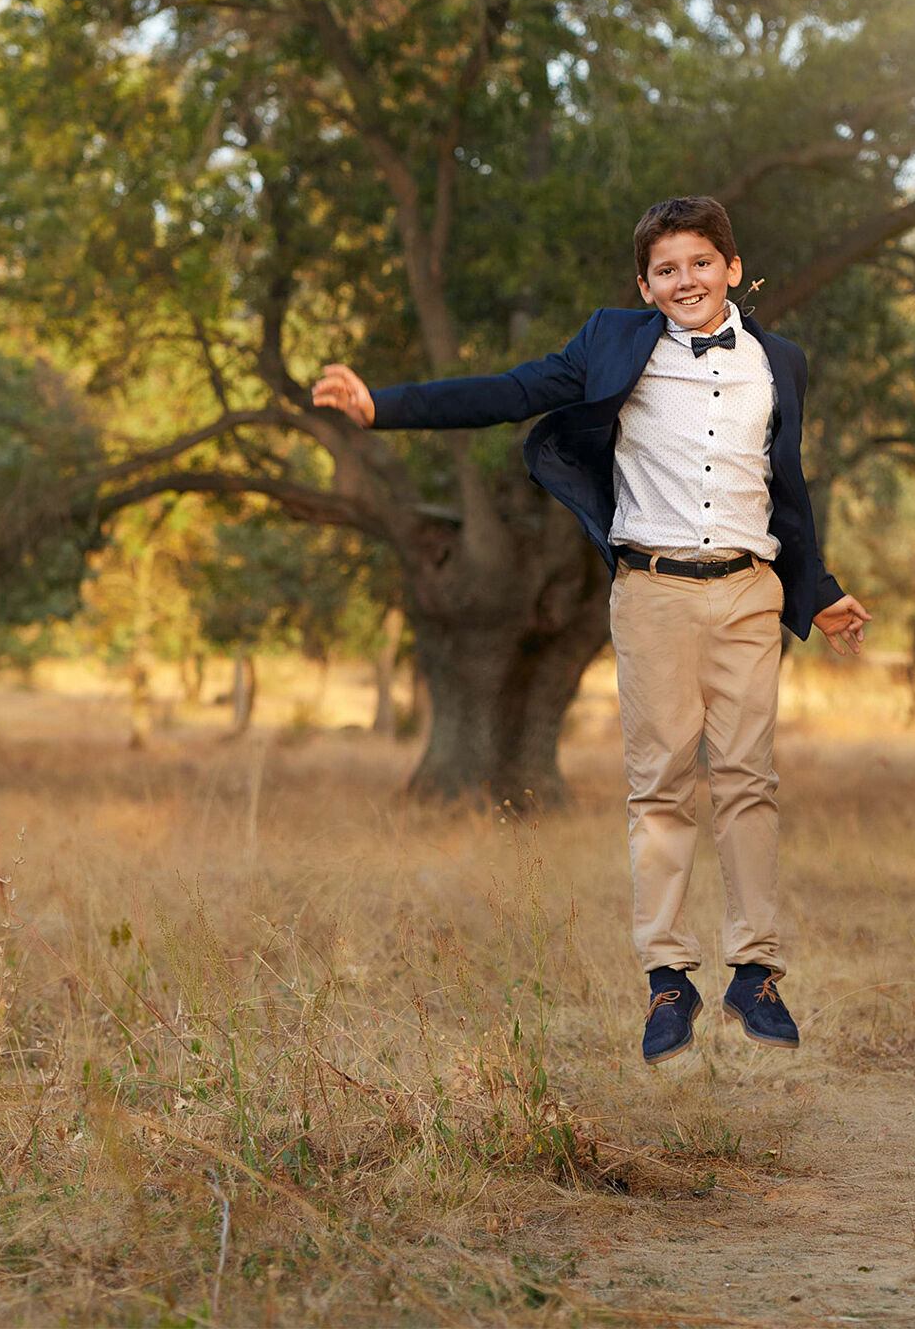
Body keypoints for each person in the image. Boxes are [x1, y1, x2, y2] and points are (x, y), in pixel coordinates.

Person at [311, 195, 869, 1065]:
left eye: (698, 262)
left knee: (747, 781)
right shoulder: (615, 343)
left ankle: (756, 970)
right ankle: (667, 979)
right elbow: (508, 391)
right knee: (659, 785)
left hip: (751, 593)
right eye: (665, 269)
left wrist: (820, 591)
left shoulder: (780, 362)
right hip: (652, 592)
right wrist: (384, 405)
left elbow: (783, 491)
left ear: (731, 265)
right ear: (644, 286)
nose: (684, 280)